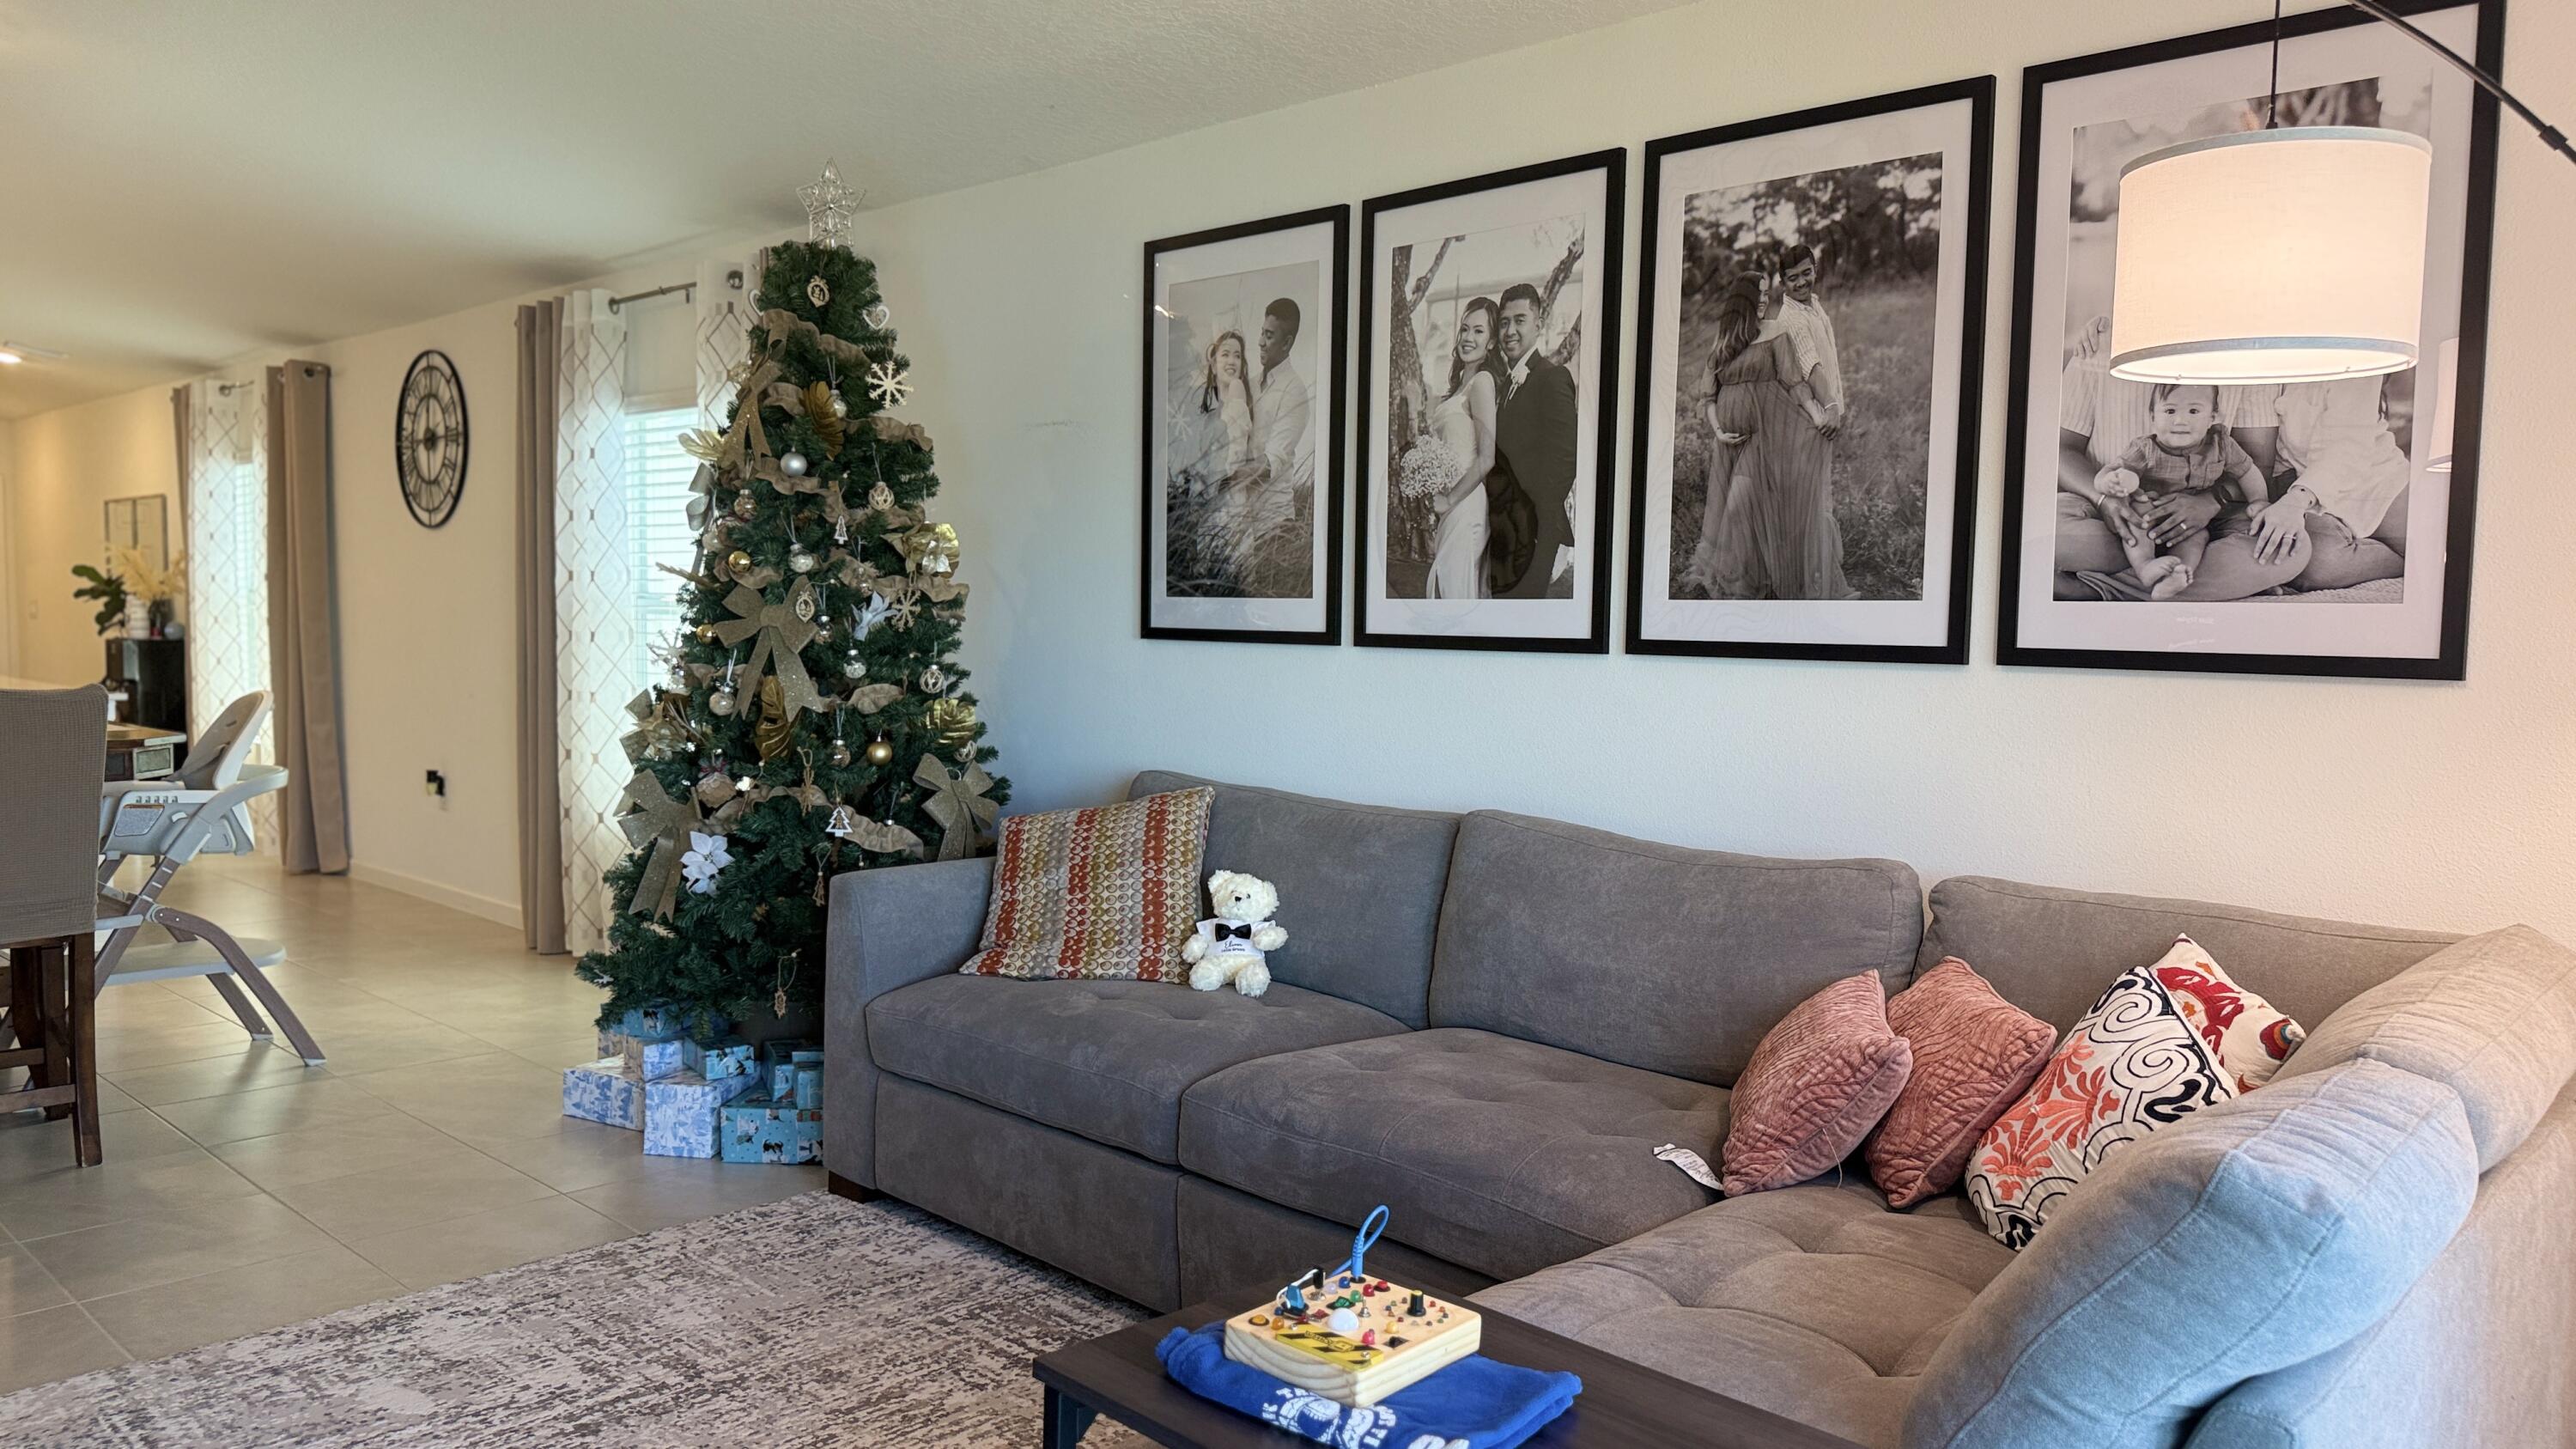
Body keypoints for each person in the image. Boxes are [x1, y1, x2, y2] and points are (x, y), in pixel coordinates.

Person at [1686, 277, 1845, 600]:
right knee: (1747, 513)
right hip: (1731, 442)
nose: (1764, 300)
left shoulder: (1775, 332)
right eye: (1758, 295)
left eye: (1766, 295)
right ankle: (1755, 579)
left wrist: (1817, 415)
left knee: (1736, 507)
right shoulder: (1724, 341)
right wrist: (1718, 432)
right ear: (1742, 300)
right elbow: (1709, 398)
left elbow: (1793, 383)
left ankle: (1757, 583)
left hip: (1767, 437)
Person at [2089, 382, 2267, 600]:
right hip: (2151, 512)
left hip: (2192, 522)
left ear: (2212, 417)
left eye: (2193, 411)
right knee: (2137, 516)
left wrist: (2259, 500)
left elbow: (2247, 472)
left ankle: (2176, 576)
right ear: (2153, 417)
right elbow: (2113, 472)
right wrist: (2108, 482)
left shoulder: (2222, 444)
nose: (2180, 420)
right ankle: (2145, 568)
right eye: (2170, 411)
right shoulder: (2145, 449)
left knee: (2197, 537)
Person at [1490, 283, 1579, 599]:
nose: (1510, 330)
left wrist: (1532, 521)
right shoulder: (1506, 384)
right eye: (1504, 322)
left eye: (1519, 320)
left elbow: (1566, 457)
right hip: (1504, 529)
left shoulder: (1551, 377)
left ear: (1539, 325)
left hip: (1535, 529)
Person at [1425, 297, 1500, 599]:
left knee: (1451, 590)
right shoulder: (1459, 384)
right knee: (1446, 586)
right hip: (1451, 503)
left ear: (1492, 342)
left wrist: (1450, 500)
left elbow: (1486, 458)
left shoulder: (1482, 382)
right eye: (1465, 329)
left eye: (1479, 332)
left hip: (1465, 503)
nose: (1468, 338)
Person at [1253, 299, 1312, 492]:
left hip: (1274, 517)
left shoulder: (1295, 392)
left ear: (1287, 343)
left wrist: (1227, 474)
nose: (1260, 342)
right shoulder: (1250, 384)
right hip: (1241, 515)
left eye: (1268, 336)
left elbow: (1272, 462)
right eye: (1262, 332)